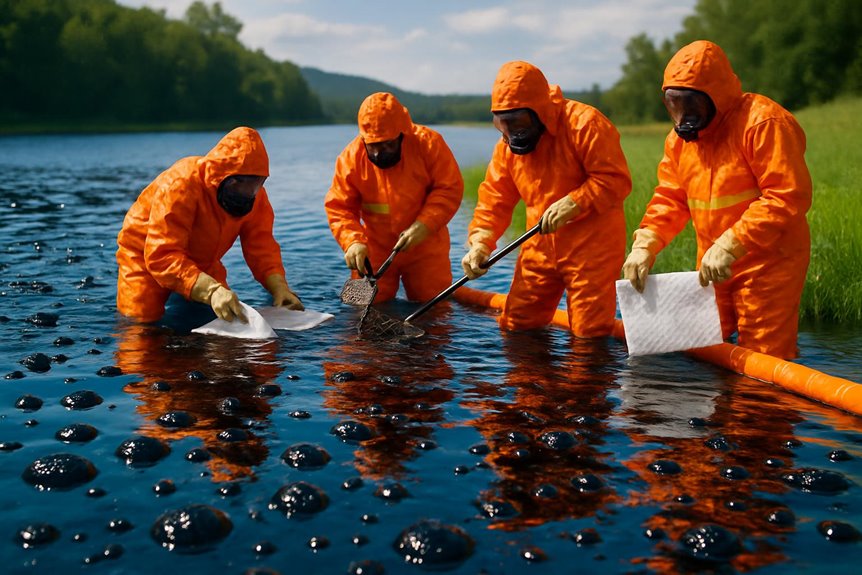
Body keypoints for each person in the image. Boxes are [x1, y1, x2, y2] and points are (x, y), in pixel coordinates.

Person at [621, 40, 811, 359]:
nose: (683, 117)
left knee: (763, 357)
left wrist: (731, 243)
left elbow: (786, 196)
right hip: (711, 262)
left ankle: (765, 408)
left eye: (691, 104)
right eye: (674, 104)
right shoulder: (679, 143)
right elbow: (670, 197)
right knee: (704, 347)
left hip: (769, 262)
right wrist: (644, 245)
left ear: (716, 97)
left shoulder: (763, 123)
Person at [461, 61, 632, 336]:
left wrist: (574, 202)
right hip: (537, 246)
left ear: (539, 111)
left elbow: (616, 180)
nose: (513, 132)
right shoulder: (506, 149)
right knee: (517, 325)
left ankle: (582, 380)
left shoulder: (585, 124)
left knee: (590, 334)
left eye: (519, 122)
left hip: (592, 249)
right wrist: (481, 242)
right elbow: (494, 199)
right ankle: (527, 380)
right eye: (504, 123)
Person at [116, 126, 303, 324]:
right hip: (145, 257)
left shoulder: (255, 197)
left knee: (229, 318)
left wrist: (280, 288)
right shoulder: (182, 183)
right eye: (242, 185)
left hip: (202, 261)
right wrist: (212, 290)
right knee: (140, 328)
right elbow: (161, 256)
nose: (249, 193)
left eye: (257, 184)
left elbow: (262, 246)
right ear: (224, 178)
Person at [325, 92, 463, 303]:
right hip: (373, 250)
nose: (380, 153)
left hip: (425, 245)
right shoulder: (350, 158)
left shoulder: (429, 144)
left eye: (388, 145)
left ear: (402, 134)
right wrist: (352, 241)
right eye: (373, 146)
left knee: (435, 308)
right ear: (364, 138)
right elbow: (339, 208)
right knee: (359, 307)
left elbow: (449, 189)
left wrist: (424, 225)